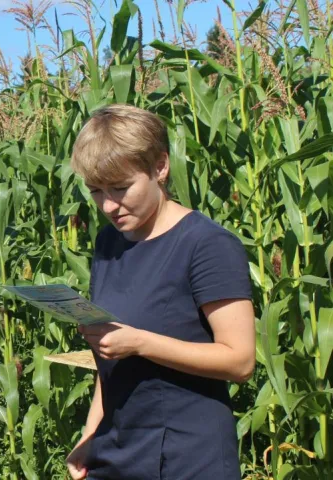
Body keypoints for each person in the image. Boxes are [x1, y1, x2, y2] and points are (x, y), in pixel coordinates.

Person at [64, 104, 256, 480]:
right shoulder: (109, 242)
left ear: (160, 167)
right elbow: (111, 360)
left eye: (120, 188)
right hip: (115, 452)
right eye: (95, 191)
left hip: (186, 457)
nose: (108, 205)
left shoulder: (207, 245)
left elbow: (240, 361)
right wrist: (90, 433)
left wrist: (140, 343)